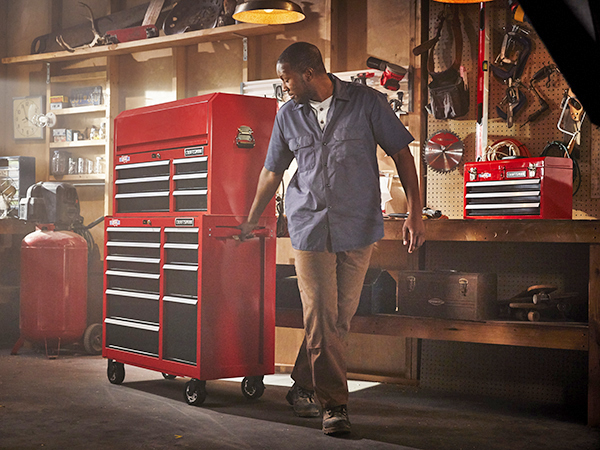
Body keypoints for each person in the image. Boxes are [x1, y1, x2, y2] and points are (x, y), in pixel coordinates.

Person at [238, 42, 425, 436]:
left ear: (308, 73)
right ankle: (335, 406)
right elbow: (272, 172)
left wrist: (415, 213)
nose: (284, 86)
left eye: (287, 78)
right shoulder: (288, 115)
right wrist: (251, 219)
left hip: (359, 226)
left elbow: (402, 155)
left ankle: (303, 385)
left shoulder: (367, 103)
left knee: (338, 319)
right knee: (321, 316)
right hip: (309, 226)